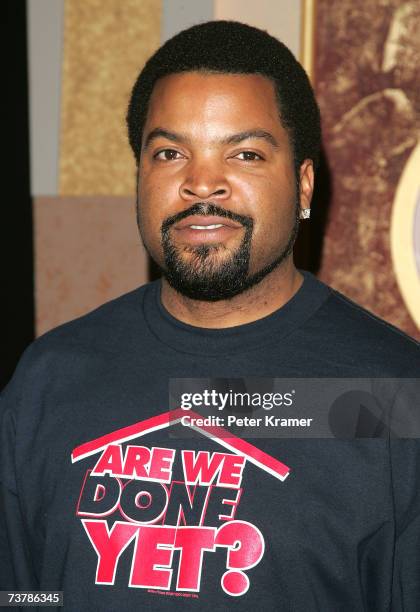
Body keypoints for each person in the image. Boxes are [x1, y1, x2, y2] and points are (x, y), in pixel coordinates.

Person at [1, 20, 419, 611]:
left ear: (304, 187)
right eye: (171, 153)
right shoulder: (51, 376)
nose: (201, 183)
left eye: (244, 154)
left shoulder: (394, 394)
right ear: (140, 176)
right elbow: (24, 594)